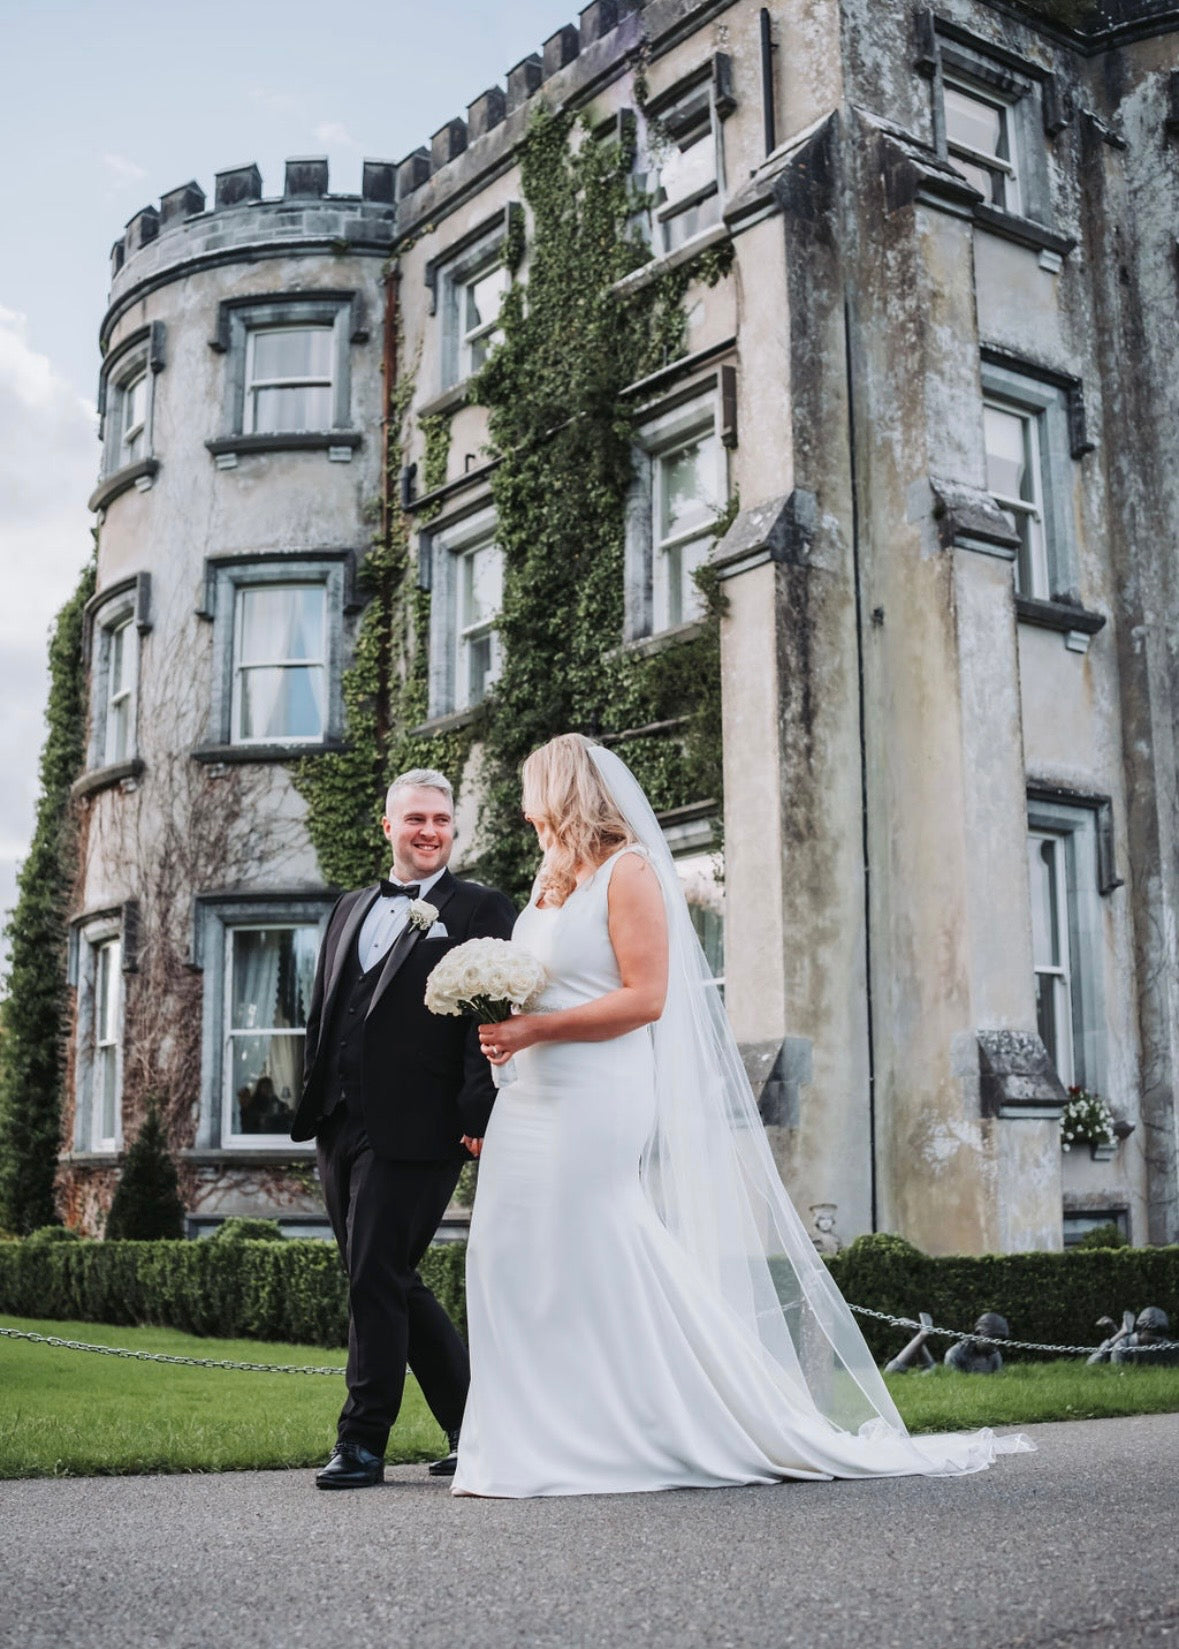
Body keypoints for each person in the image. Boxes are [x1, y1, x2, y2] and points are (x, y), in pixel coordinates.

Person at [455, 733, 1033, 1497]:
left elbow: (644, 998)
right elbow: (539, 982)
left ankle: (652, 1426)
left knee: (595, 1244)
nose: (528, 815)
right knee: (509, 1255)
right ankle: (544, 1431)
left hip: (595, 1096)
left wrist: (534, 1028)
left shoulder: (629, 872)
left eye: (534, 798)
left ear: (565, 792)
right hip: (528, 1097)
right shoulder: (553, 878)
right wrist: (501, 1027)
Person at [290, 768, 515, 1489]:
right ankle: (473, 1425)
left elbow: (493, 1017)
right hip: (339, 1120)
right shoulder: (349, 907)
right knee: (384, 1273)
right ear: (387, 825)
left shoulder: (480, 908)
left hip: (422, 1124)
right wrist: (315, 1097)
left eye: (442, 820)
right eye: (415, 818)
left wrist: (478, 1113)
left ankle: (361, 1440)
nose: (429, 830)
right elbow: (328, 1009)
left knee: (374, 1272)